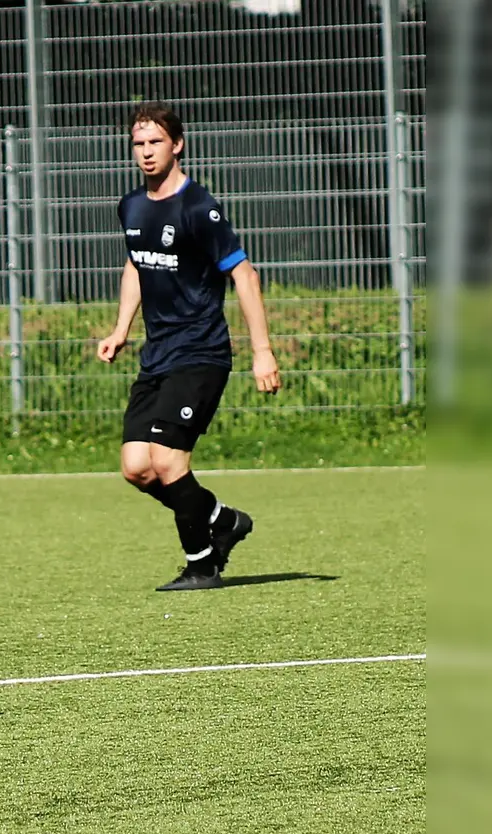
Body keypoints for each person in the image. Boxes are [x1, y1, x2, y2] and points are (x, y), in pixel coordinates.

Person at [97, 102, 283, 592]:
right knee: (137, 468)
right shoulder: (132, 205)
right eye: (138, 143)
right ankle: (223, 521)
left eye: (155, 142)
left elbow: (244, 275)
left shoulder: (199, 206)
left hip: (201, 353)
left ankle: (201, 563)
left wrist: (261, 350)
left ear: (177, 144)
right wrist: (121, 329)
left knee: (167, 461)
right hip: (157, 354)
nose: (145, 152)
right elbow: (137, 265)